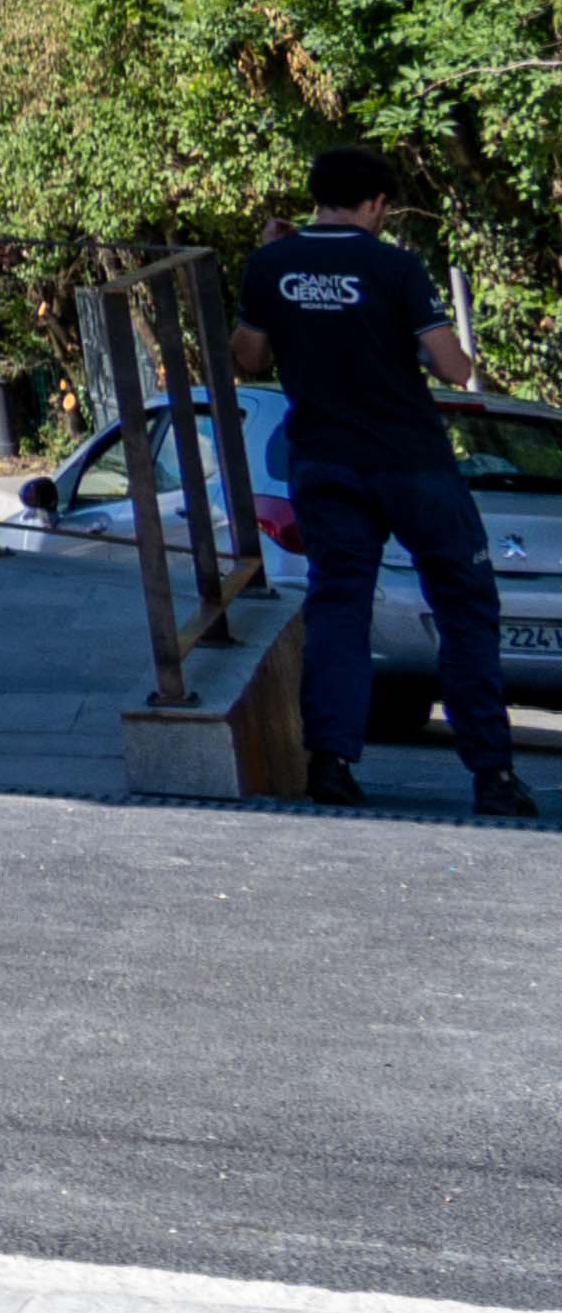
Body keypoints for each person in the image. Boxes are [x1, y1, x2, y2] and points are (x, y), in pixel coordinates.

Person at [237, 144, 532, 819]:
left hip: (323, 461)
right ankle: (492, 774)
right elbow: (454, 369)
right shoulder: (395, 266)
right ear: (376, 204)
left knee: (339, 606)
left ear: (318, 197)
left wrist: (276, 265)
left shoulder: (271, 264)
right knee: (464, 605)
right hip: (413, 463)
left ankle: (331, 763)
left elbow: (248, 357)